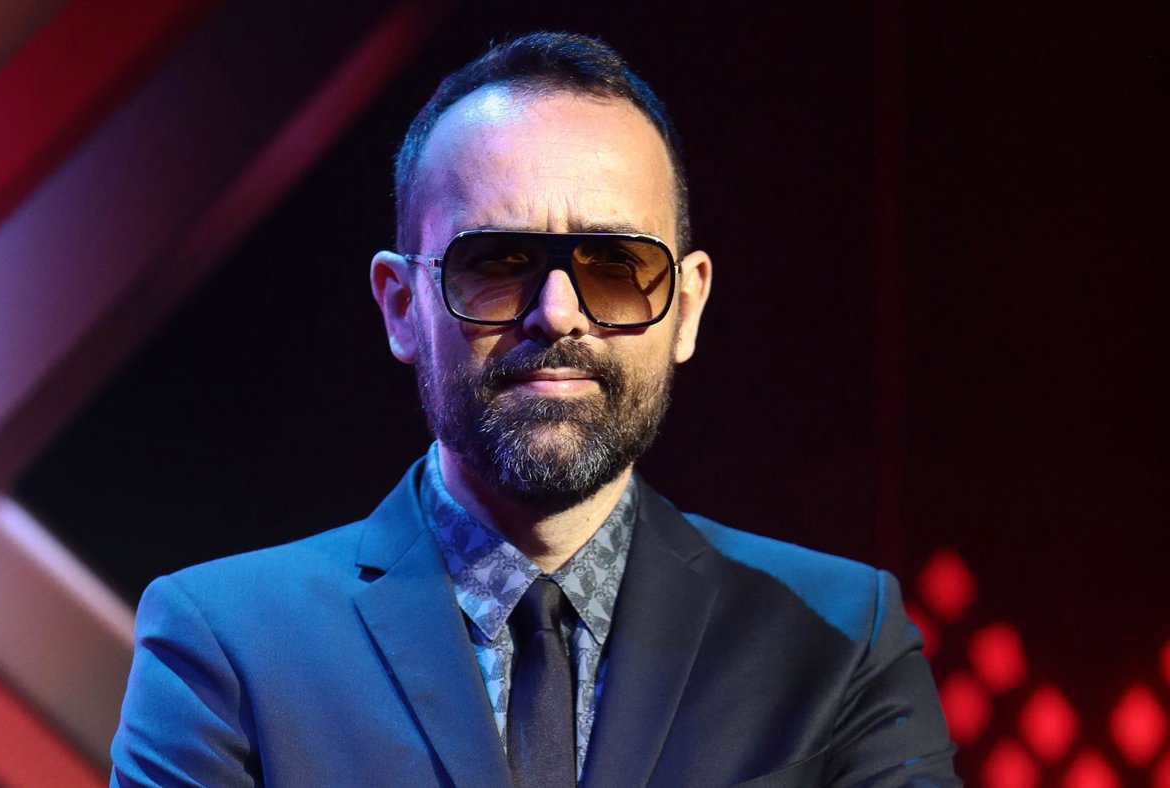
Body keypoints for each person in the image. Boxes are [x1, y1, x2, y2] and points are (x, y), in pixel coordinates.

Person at [110, 31, 959, 787]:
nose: (557, 313)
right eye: (498, 260)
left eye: (616, 264)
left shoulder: (839, 640)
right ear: (402, 306)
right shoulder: (228, 646)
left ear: (687, 306)